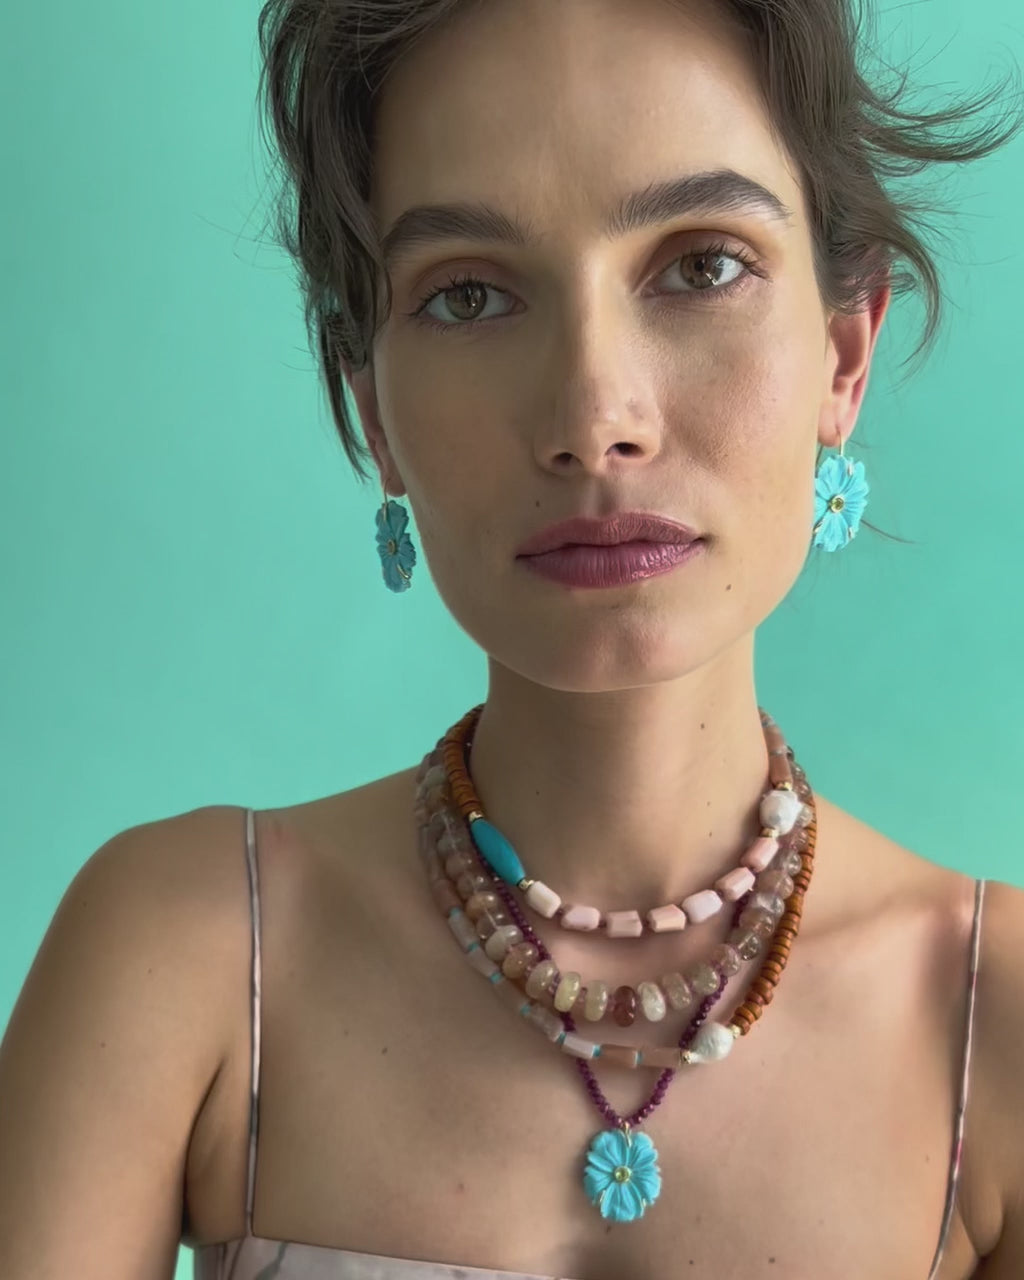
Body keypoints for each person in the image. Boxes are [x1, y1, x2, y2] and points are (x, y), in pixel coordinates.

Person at [3, 0, 1024, 1276]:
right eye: (470, 292)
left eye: (700, 264)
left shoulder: (998, 1024)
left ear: (843, 349)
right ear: (370, 402)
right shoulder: (186, 957)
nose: (594, 414)